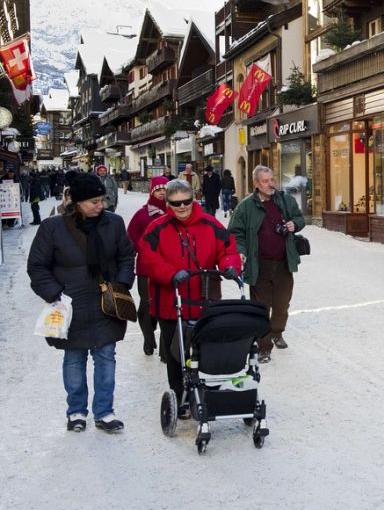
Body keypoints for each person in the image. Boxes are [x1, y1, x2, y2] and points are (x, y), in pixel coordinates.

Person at [27, 171, 135, 433]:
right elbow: (37, 267)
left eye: (102, 200)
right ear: (77, 202)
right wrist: (55, 294)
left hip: (104, 304)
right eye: (94, 202)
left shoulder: (114, 223)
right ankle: (76, 411)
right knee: (74, 359)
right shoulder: (52, 228)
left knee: (106, 357)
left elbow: (126, 256)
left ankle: (104, 412)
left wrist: (120, 284)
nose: (101, 206)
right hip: (70, 306)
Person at [138, 180, 241, 413]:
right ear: (168, 203)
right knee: (176, 353)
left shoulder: (210, 224)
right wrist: (170, 273)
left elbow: (228, 249)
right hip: (170, 303)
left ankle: (205, 393)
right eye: (176, 203)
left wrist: (230, 265)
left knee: (207, 351)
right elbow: (147, 258)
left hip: (205, 300)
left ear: (193, 200)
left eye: (187, 201)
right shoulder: (157, 228)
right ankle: (180, 397)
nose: (182, 207)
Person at [228, 166, 304, 363]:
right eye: (265, 181)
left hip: (283, 263)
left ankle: (277, 332)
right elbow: (235, 233)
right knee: (261, 307)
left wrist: (294, 225)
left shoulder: (285, 200)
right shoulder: (245, 206)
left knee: (282, 304)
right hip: (259, 264)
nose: (271, 184)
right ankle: (263, 346)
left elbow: (299, 219)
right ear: (256, 183)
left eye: (272, 179)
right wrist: (241, 252)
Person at [126, 176, 169, 359]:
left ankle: (166, 349)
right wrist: (144, 250)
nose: (161, 193)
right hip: (146, 268)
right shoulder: (142, 215)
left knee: (166, 305)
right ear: (152, 191)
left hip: (168, 267)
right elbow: (130, 237)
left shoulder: (174, 211)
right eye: (158, 189)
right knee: (147, 305)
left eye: (164, 189)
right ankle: (148, 338)